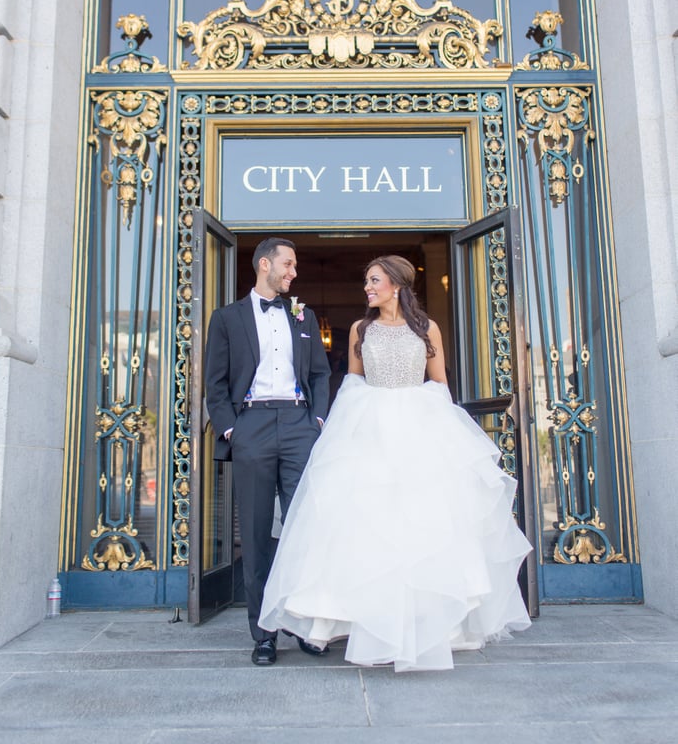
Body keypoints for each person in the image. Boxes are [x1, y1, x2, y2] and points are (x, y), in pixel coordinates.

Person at [259, 255, 532, 672]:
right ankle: (354, 619)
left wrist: (438, 432)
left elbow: (438, 385)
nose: (367, 288)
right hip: (368, 427)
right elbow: (352, 381)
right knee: (363, 525)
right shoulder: (359, 328)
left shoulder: (427, 329)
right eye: (366, 280)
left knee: (422, 523)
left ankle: (433, 625)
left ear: (398, 285)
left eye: (374, 280)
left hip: (418, 428)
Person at [204, 236, 331, 666]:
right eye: (288, 265)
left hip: (298, 425)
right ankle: (264, 634)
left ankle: (310, 627)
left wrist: (315, 422)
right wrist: (230, 431)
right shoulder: (226, 318)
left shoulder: (304, 315)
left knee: (306, 530)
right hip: (251, 426)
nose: (294, 273)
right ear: (264, 265)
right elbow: (215, 384)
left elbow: (319, 373)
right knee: (257, 536)